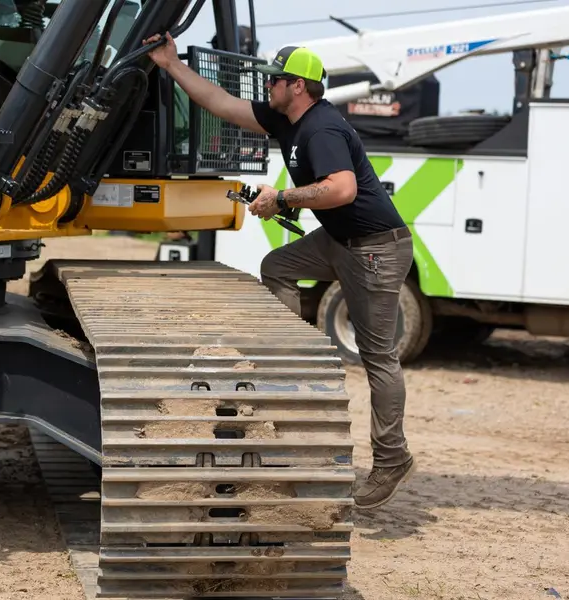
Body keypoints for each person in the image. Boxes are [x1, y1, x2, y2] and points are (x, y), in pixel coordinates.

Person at [143, 32, 416, 510]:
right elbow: (223, 104)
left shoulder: (321, 128)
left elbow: (342, 189)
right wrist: (170, 64)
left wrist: (283, 197)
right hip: (339, 240)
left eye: (276, 81)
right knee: (278, 266)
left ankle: (392, 460)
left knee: (378, 358)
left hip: (375, 250)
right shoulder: (285, 117)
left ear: (299, 87)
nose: (268, 87)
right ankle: (295, 357)